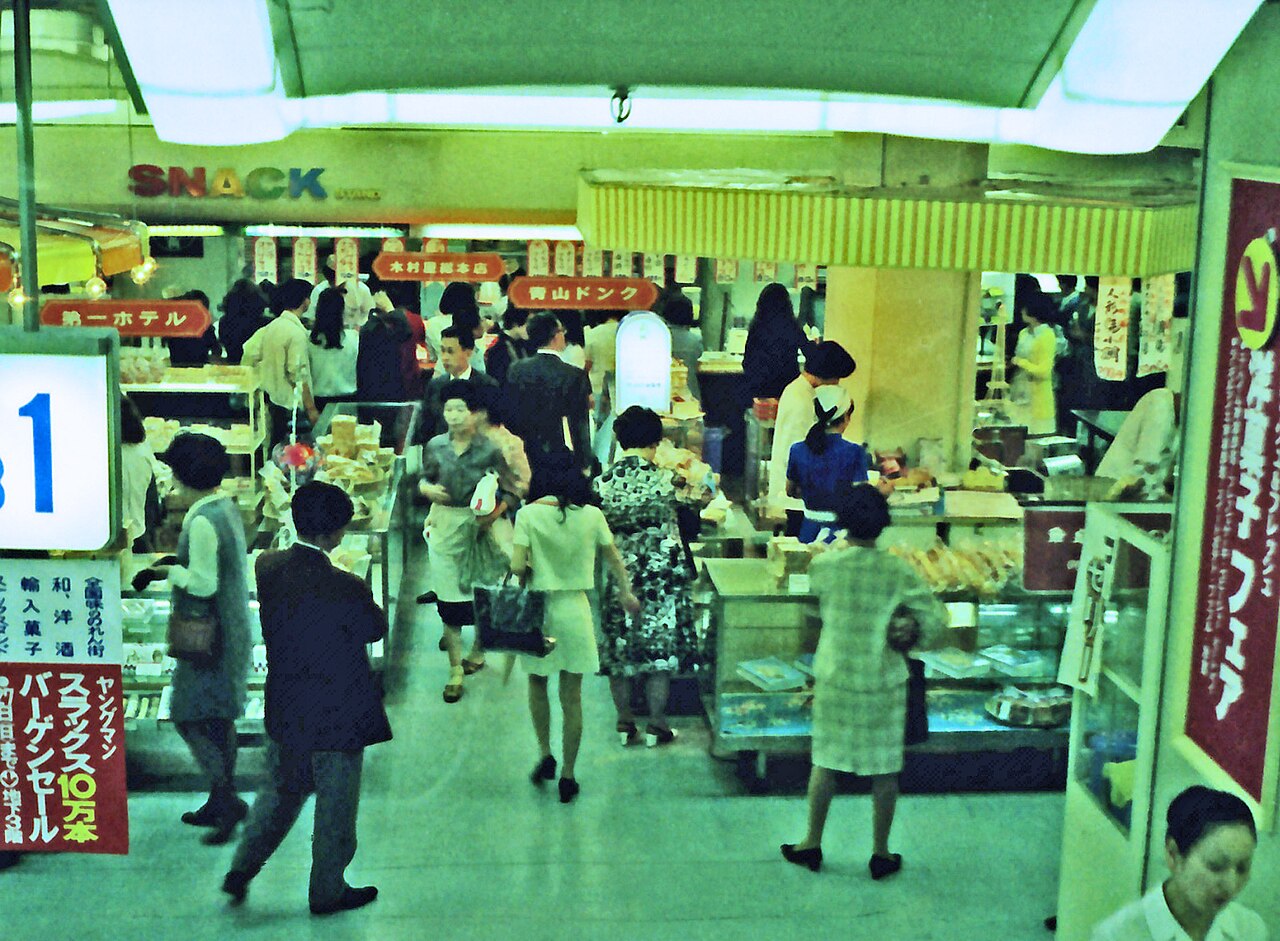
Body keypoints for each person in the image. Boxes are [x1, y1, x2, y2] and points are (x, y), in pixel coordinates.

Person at [222, 482, 390, 916]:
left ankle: (242, 868)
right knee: (335, 807)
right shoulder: (347, 586)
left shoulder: (268, 567)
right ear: (335, 533)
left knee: (279, 793)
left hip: (287, 703)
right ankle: (327, 889)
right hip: (339, 710)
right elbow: (375, 629)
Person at [780, 485, 945, 879]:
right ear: (883, 524)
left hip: (836, 676)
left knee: (825, 763)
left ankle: (811, 843)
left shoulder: (825, 566)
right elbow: (936, 619)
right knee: (884, 770)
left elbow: (815, 602)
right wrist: (911, 630)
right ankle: (881, 853)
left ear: (843, 522)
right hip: (883, 679)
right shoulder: (900, 571)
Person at [511, 462, 640, 803]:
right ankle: (569, 774)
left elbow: (515, 568)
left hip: (540, 611)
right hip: (576, 610)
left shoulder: (527, 515)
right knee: (573, 697)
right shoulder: (592, 516)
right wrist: (625, 592)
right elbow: (614, 558)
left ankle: (544, 754)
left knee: (537, 684)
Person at [151, 433, 253, 846]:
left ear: (181, 473)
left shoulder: (201, 520)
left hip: (207, 638)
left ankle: (224, 798)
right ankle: (221, 797)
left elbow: (203, 584)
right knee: (218, 718)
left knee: (188, 717)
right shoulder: (224, 506)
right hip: (231, 628)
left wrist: (167, 572)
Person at [594, 407, 700, 747]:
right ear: (657, 441)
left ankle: (625, 723)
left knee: (619, 650)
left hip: (618, 578)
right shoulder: (668, 480)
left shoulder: (601, 484)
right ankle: (657, 723)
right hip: (661, 578)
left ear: (619, 438)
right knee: (659, 653)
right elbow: (702, 496)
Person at [419, 382, 510, 701]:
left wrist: (494, 513)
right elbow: (425, 478)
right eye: (449, 410)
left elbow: (512, 489)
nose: (454, 416)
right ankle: (455, 670)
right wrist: (425, 490)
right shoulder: (434, 446)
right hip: (445, 525)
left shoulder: (490, 448)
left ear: (475, 414)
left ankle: (479, 649)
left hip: (479, 530)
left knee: (481, 597)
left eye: (461, 409)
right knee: (448, 601)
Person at [1090, 786, 1266, 941]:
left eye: (1242, 868)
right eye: (1216, 866)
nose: (1231, 884)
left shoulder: (1250, 930)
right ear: (1173, 855)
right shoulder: (1116, 935)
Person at [766, 340, 857, 525]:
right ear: (823, 375)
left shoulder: (802, 391)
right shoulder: (801, 401)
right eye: (836, 379)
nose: (837, 384)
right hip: (797, 500)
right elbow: (799, 456)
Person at [504, 312, 594, 484]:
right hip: (560, 451)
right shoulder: (574, 375)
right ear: (556, 336)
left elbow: (511, 411)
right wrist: (584, 462)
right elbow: (579, 422)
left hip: (525, 448)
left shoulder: (516, 370)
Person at [786, 385, 871, 544]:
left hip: (807, 530)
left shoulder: (797, 450)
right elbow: (861, 497)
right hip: (840, 536)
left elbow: (790, 491)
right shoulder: (854, 452)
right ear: (846, 417)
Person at [241, 278, 320, 446]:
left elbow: (251, 352)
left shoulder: (273, 326)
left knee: (278, 452)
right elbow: (297, 373)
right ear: (304, 301)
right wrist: (311, 409)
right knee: (294, 457)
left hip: (273, 401)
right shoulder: (295, 333)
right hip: (290, 406)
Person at [416, 324, 499, 442]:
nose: (444, 357)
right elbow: (426, 428)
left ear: (468, 352)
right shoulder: (435, 386)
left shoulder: (487, 386)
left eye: (450, 352)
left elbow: (493, 428)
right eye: (442, 351)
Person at [742, 282, 809, 405]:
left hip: (762, 388)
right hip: (788, 387)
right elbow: (809, 351)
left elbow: (747, 361)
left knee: (763, 421)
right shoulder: (792, 326)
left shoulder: (757, 327)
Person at [1010, 292, 1059, 436]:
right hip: (1020, 388)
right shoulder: (1023, 333)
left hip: (1038, 394)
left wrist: (1021, 362)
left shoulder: (1047, 335)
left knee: (1036, 436)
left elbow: (1044, 371)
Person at [307, 287, 360, 411]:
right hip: (348, 401)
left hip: (318, 402)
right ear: (341, 311)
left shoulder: (308, 340)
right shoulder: (354, 338)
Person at [355, 301, 417, 401]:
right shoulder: (378, 330)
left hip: (367, 391)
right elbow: (407, 332)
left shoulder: (367, 328)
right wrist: (389, 309)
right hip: (390, 388)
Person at [119, 394, 158, 554]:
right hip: (140, 539)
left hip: (113, 545)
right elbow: (153, 503)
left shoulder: (105, 455)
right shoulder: (142, 452)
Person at [309, 254, 374, 330]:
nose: (337, 284)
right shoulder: (319, 290)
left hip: (355, 333)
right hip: (328, 333)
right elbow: (312, 317)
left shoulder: (361, 289)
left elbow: (370, 314)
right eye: (332, 281)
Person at [217, 279, 271, 365]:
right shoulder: (265, 323)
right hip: (256, 368)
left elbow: (224, 343)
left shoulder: (224, 322)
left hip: (233, 366)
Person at [166, 290, 223, 366]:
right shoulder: (204, 327)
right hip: (199, 371)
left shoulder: (175, 324)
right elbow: (216, 349)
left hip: (177, 370)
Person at [663, 295, 704, 400]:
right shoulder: (695, 340)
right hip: (689, 395)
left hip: (661, 394)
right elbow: (699, 356)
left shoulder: (658, 337)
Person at [584, 309, 623, 414]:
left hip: (597, 384)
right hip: (623, 386)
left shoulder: (592, 334)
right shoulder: (627, 331)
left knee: (599, 420)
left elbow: (588, 363)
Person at [485, 303, 531, 387]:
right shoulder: (498, 349)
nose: (530, 329)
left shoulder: (524, 344)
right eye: (527, 325)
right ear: (516, 324)